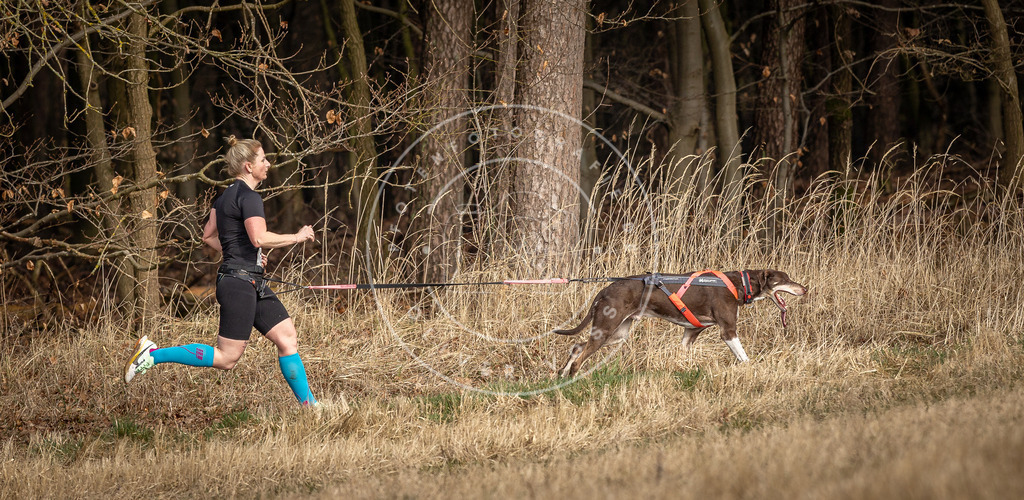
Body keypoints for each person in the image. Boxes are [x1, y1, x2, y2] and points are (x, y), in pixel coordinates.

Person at [124, 136, 318, 406]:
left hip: (248, 279)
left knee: (287, 338)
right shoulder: (249, 197)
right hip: (239, 284)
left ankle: (311, 407)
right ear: (249, 166)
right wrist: (297, 237)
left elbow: (208, 236)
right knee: (227, 358)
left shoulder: (225, 196)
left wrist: (243, 257)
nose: (268, 164)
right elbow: (259, 239)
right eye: (263, 159)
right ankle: (152, 354)